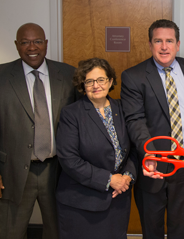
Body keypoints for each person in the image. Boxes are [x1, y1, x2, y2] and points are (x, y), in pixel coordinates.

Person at [0, 23, 80, 239]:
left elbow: (81, 123)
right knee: (9, 232)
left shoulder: (68, 74)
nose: (32, 47)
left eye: (37, 41)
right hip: (11, 172)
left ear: (46, 44)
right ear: (17, 45)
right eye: (25, 42)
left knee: (59, 232)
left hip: (58, 170)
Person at [121, 19, 184, 239]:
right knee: (152, 229)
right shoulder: (134, 76)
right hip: (152, 165)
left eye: (169, 41)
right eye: (158, 41)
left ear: (178, 44)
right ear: (150, 45)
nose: (164, 47)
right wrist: (149, 152)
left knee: (181, 229)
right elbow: (134, 120)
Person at [55, 58, 137, 239]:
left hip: (118, 199)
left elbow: (133, 149)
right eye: (89, 81)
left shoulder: (122, 108)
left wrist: (127, 176)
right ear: (82, 85)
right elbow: (69, 159)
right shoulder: (71, 114)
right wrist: (109, 179)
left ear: (110, 81)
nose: (96, 85)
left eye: (101, 80)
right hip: (82, 202)